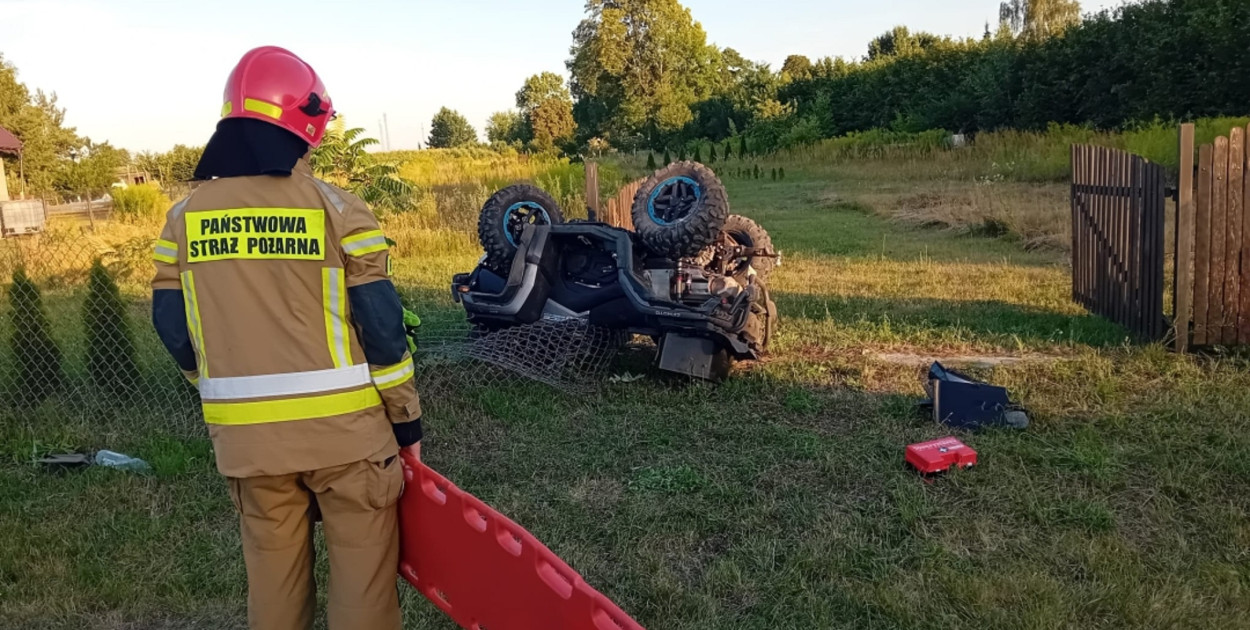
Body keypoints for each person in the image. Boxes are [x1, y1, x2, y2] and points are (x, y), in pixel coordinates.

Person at [151, 46, 421, 630]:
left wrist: (216, 388)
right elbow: (381, 328)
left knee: (272, 585)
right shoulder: (338, 210)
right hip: (350, 440)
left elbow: (172, 328)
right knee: (364, 590)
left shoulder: (183, 218)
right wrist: (407, 423)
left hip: (249, 447)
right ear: (310, 121)